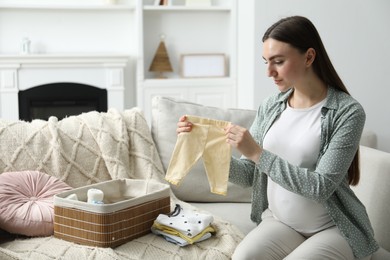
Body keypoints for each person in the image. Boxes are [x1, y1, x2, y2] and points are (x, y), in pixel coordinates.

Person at [176, 16, 379, 259]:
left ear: (309, 57)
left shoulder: (348, 112)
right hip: (281, 222)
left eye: (278, 62)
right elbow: (249, 174)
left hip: (332, 227)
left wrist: (256, 152)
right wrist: (206, 146)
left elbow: (320, 187)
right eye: (266, 62)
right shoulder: (271, 106)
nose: (269, 72)